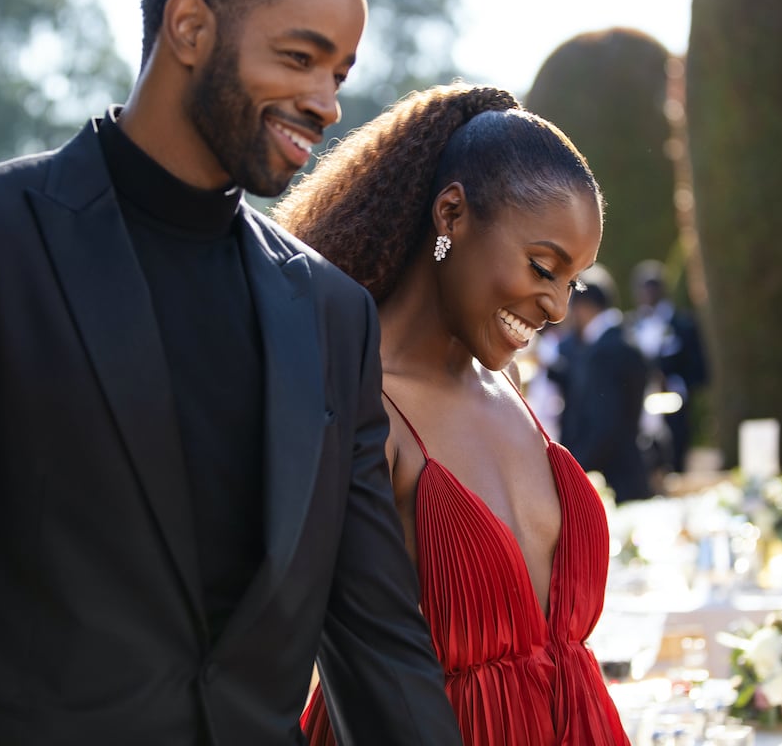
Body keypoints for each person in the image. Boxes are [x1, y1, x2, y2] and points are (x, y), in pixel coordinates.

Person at [0, 0, 462, 744]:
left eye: (341, 75)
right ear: (188, 26)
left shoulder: (332, 315)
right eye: (299, 58)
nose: (326, 103)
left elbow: (379, 638)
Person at [277, 83, 629, 745]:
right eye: (541, 265)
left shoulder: (508, 377)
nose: (555, 306)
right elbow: (282, 651)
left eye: (571, 280)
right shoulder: (357, 399)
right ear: (451, 214)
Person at [557, 264, 652, 503]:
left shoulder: (604, 352)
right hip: (631, 470)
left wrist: (571, 472)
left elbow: (604, 425)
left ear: (584, 308)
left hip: (613, 482)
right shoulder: (623, 339)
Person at [628, 259, 708, 475]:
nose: (647, 293)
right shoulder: (632, 326)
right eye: (643, 288)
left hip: (674, 404)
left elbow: (698, 366)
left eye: (652, 287)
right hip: (641, 404)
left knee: (675, 454)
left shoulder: (682, 324)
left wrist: (674, 383)